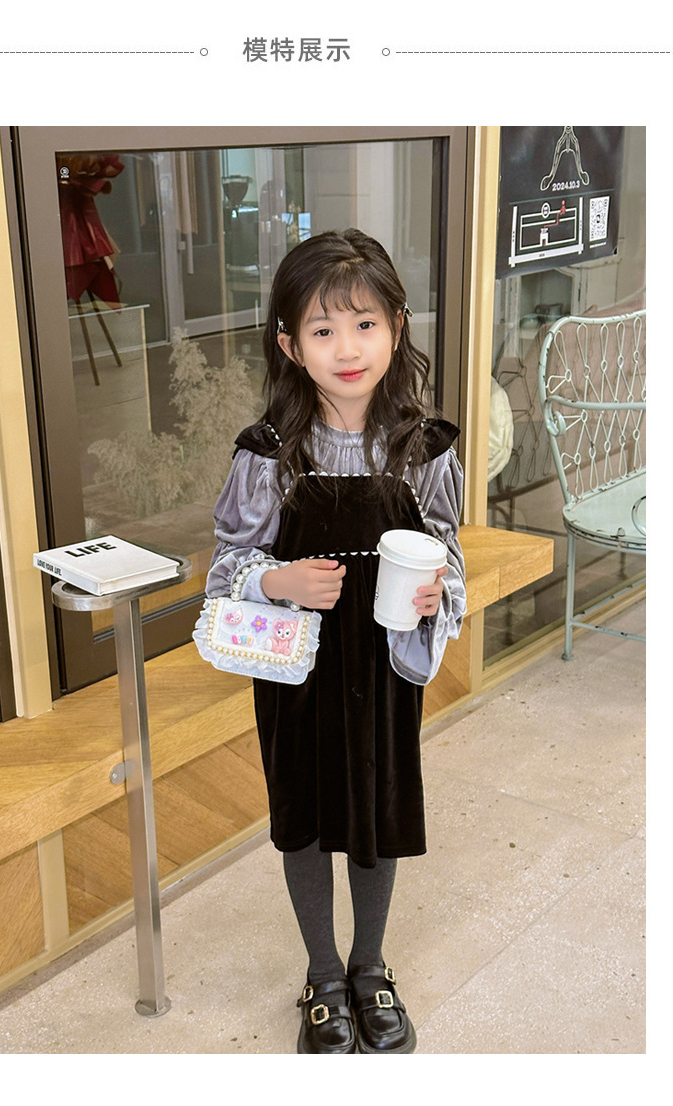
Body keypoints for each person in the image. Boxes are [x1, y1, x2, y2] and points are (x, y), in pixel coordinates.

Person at [206, 229, 466, 1054]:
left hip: (385, 665)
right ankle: (322, 974)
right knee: (307, 816)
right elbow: (226, 567)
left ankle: (370, 966)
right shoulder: (268, 454)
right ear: (290, 344)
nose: (346, 349)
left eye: (364, 325)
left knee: (377, 810)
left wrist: (436, 593)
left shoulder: (424, 450)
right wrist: (277, 581)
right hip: (299, 671)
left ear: (397, 327)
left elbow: (450, 553)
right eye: (322, 330)